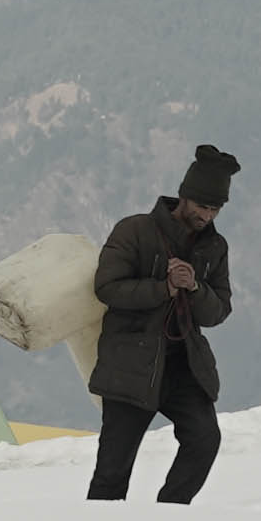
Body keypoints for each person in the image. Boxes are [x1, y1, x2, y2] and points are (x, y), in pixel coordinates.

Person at [88, 143, 236, 502]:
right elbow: (107, 288)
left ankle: (167, 518)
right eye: (203, 206)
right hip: (130, 364)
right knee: (113, 470)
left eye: (215, 209)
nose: (208, 216)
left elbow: (218, 311)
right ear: (184, 197)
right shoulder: (134, 230)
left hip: (184, 364)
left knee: (204, 439)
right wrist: (165, 288)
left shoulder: (215, 247)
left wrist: (195, 286)